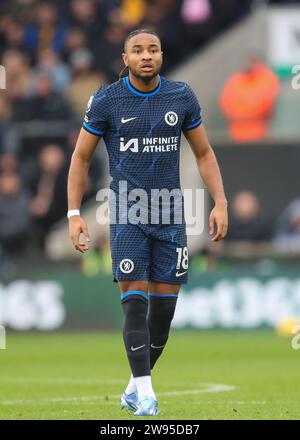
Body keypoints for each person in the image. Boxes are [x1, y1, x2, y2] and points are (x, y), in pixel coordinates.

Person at [67, 28, 228, 416]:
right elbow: (80, 159)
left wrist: (219, 201)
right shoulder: (107, 100)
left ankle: (133, 387)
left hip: (173, 214)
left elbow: (204, 154)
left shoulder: (180, 96)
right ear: (125, 58)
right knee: (134, 305)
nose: (146, 56)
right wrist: (74, 214)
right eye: (137, 50)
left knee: (163, 316)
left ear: (161, 55)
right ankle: (147, 395)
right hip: (126, 214)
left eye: (153, 49)